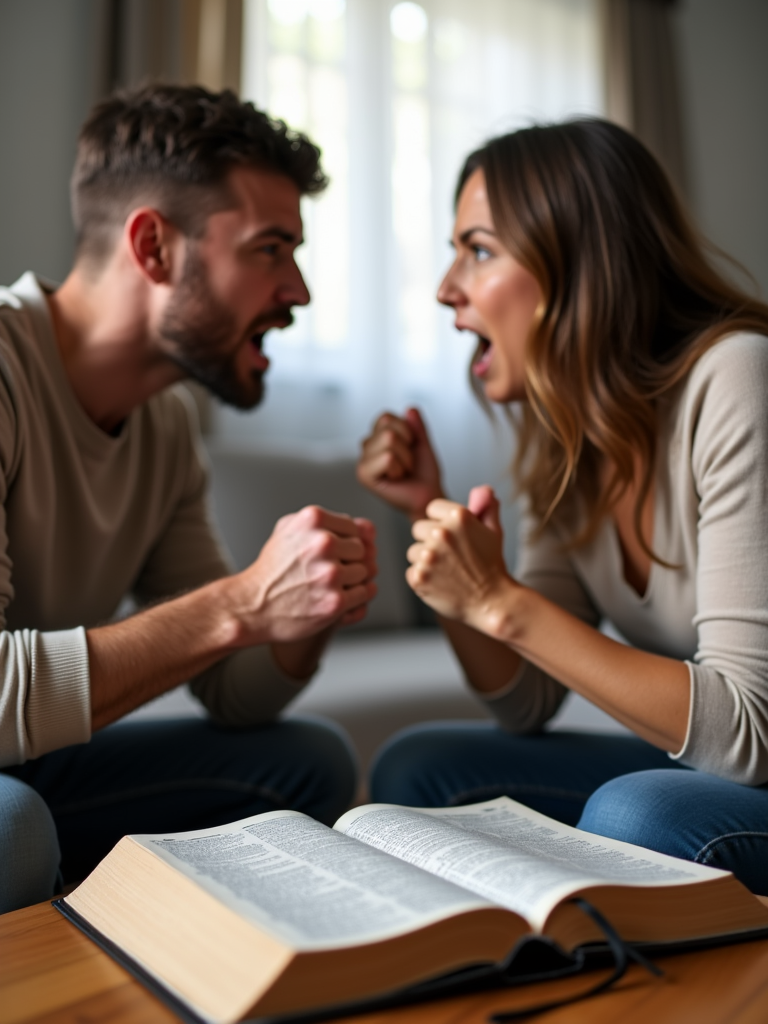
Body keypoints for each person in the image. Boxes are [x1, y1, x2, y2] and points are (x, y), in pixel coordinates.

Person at [357, 118, 768, 894]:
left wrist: (498, 600)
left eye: (477, 250)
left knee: (637, 816)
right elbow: (527, 700)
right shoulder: (566, 442)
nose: (448, 287)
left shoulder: (738, 378)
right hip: (728, 774)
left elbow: (747, 734)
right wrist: (431, 522)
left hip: (750, 762)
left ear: (578, 265)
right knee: (422, 769)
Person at [0, 84, 378, 913]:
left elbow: (234, 693)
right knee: (13, 825)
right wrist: (244, 601)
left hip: (23, 764)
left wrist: (305, 611)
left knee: (303, 759)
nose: (300, 291)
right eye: (270, 250)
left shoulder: (165, 425)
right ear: (154, 247)